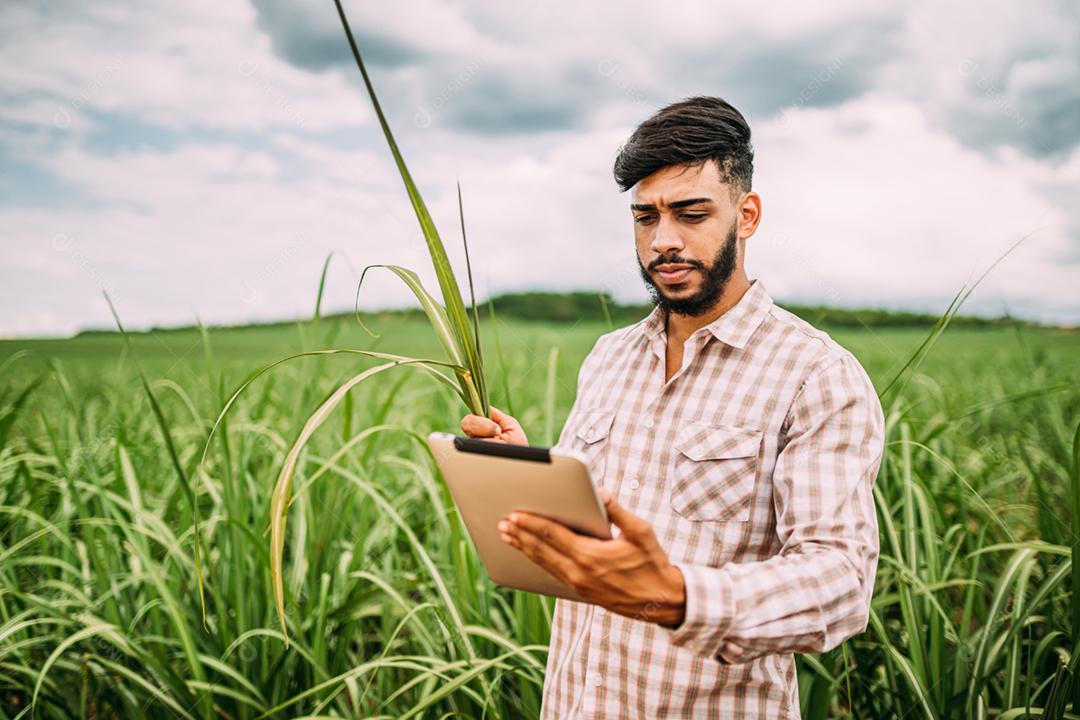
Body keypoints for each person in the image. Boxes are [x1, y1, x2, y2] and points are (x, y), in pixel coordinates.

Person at [461, 96, 885, 719]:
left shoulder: (816, 376)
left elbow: (841, 581)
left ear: (747, 215)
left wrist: (677, 595)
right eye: (645, 217)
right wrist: (528, 474)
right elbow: (595, 534)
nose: (663, 241)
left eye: (690, 214)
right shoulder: (608, 358)